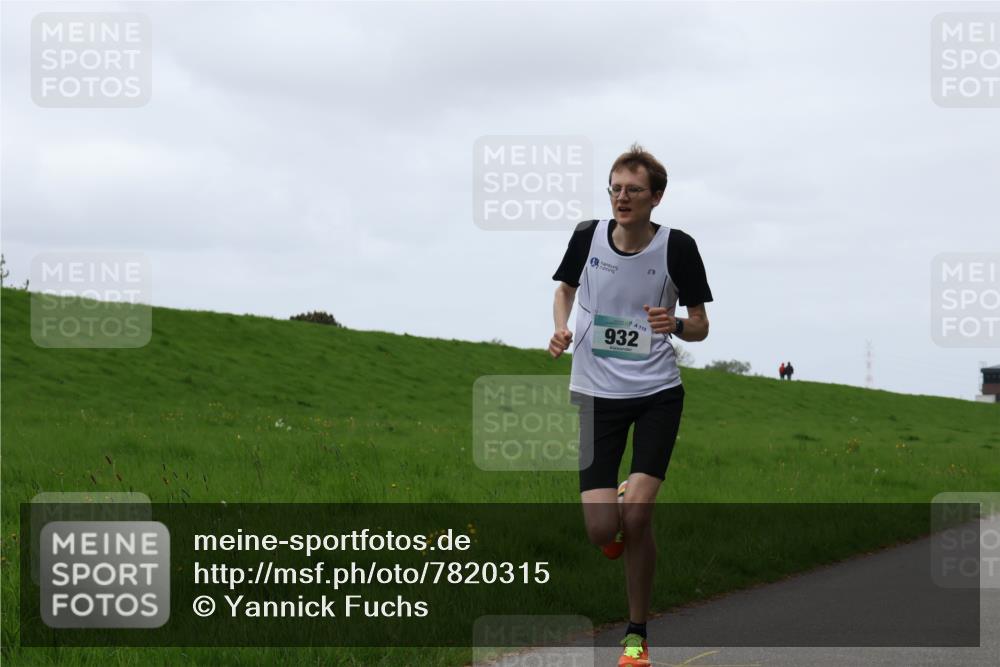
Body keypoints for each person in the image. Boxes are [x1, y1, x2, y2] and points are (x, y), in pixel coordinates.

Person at [548, 143, 713, 667]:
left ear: (655, 198)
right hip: (596, 393)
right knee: (603, 530)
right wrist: (560, 326)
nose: (622, 198)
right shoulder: (586, 236)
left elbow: (701, 325)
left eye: (634, 190)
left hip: (656, 392)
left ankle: (635, 636)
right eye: (616, 189)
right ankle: (620, 499)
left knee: (637, 518)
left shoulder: (678, 248)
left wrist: (679, 325)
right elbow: (564, 289)